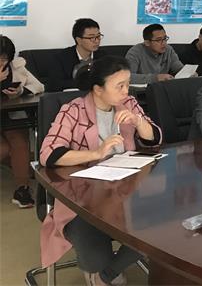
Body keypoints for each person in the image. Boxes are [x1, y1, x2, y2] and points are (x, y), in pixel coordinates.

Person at [39, 56, 161, 285]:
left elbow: (154, 139)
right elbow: (48, 154)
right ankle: (104, 270)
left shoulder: (129, 104)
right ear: (98, 89)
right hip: (82, 200)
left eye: (127, 84)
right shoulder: (73, 110)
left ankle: (106, 275)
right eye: (119, 86)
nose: (126, 91)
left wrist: (138, 121)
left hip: (125, 194)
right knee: (96, 259)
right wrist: (96, 153)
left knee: (162, 227)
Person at [0, 35, 44, 208]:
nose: (2, 62)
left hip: (10, 116)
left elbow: (39, 86)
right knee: (4, 149)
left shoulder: (16, 67)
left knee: (19, 142)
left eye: (4, 58)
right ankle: (18, 167)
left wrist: (20, 91)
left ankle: (22, 189)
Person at [50, 18, 106, 91]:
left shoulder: (103, 56)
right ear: (79, 40)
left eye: (98, 36)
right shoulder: (61, 58)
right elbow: (55, 84)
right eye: (92, 37)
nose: (97, 41)